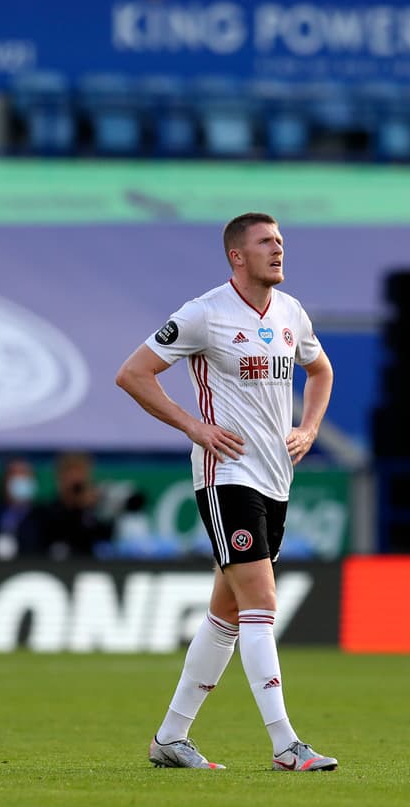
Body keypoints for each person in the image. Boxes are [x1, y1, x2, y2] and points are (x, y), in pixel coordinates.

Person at [116, 211, 337, 771]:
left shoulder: (291, 313)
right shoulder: (204, 314)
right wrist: (194, 427)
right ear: (236, 255)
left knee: (228, 615)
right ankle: (286, 745)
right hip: (226, 477)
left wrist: (309, 429)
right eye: (265, 242)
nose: (278, 249)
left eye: (281, 240)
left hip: (275, 479)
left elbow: (321, 372)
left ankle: (170, 739)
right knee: (262, 601)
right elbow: (133, 374)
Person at [40, 451, 114, 559]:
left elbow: (104, 538)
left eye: (80, 472)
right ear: (59, 478)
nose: (75, 479)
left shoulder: (96, 511)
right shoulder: (45, 512)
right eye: (69, 472)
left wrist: (91, 508)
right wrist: (74, 507)